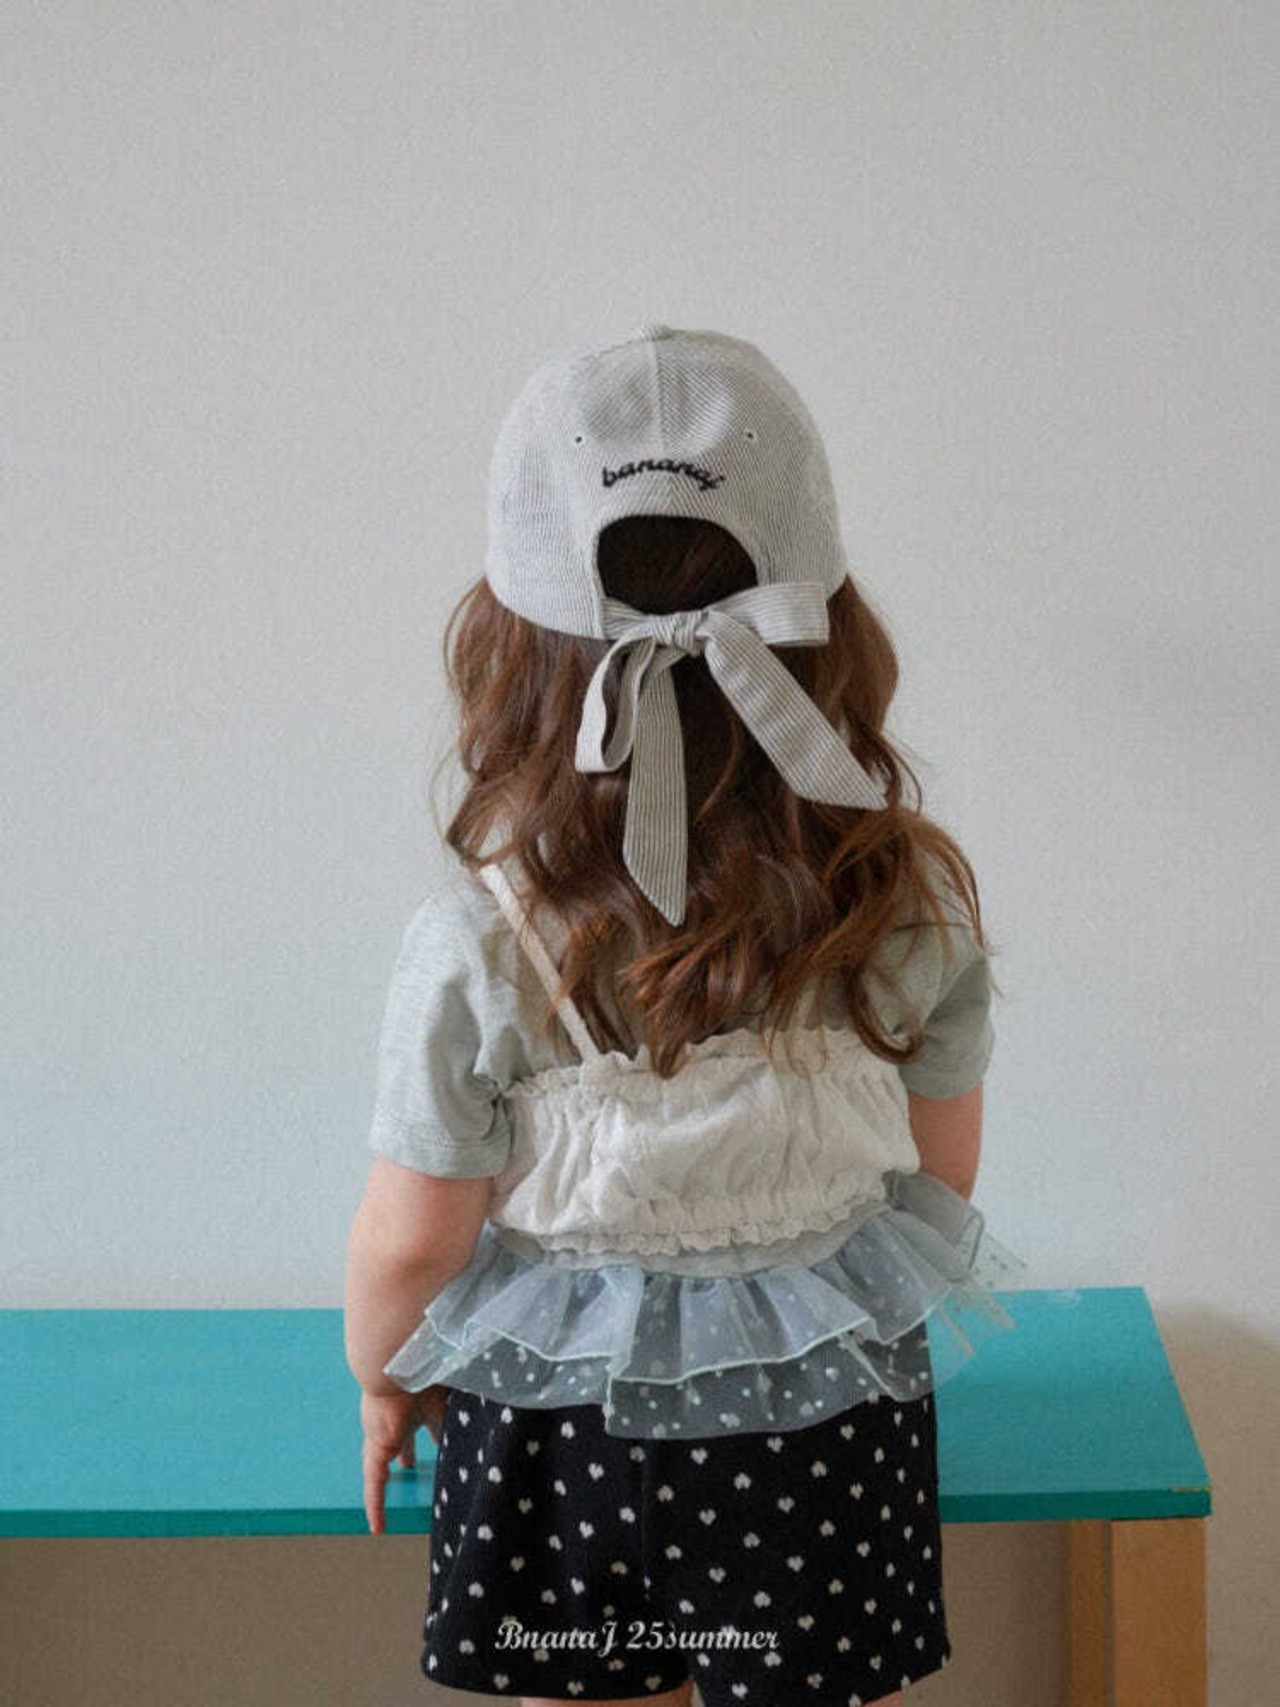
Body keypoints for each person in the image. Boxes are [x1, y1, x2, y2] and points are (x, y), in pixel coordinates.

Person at [344, 323, 1029, 1707]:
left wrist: (385, 1379)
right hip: (817, 1421)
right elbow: (936, 1175)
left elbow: (415, 1236)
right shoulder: (900, 901)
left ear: (510, 645)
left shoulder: (480, 937)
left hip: (558, 1431)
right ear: (828, 621)